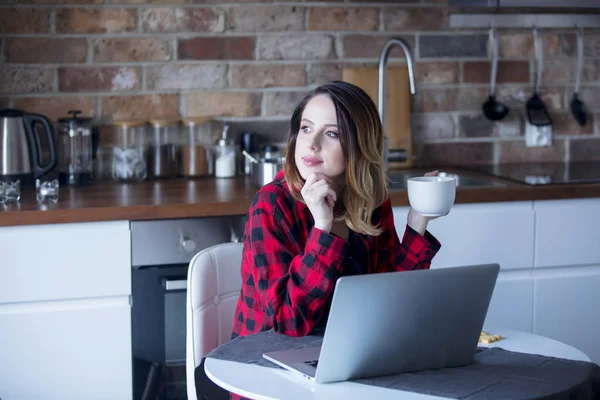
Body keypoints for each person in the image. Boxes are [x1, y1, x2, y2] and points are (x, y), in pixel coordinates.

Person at [231, 81, 444, 341]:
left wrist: (417, 222)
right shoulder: (271, 205)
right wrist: (323, 227)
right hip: (264, 359)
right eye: (306, 128)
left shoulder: (370, 198)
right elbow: (288, 322)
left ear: (359, 144)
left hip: (345, 349)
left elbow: (389, 299)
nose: (312, 144)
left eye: (331, 133)